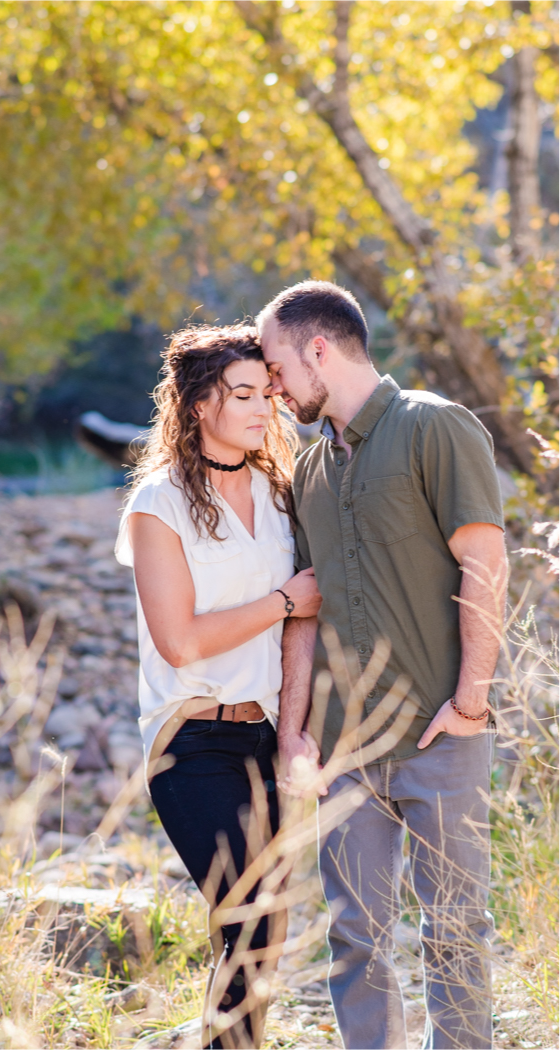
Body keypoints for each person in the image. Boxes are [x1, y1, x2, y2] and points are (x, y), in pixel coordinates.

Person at [259, 281, 507, 1050]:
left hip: (440, 736)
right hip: (346, 752)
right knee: (354, 938)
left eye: (276, 366)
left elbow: (485, 565)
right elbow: (307, 611)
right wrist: (293, 733)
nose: (273, 385)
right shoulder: (308, 473)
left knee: (455, 929)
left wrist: (470, 704)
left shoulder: (435, 427)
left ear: (319, 350)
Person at [115, 324, 322, 1049]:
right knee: (250, 915)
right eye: (243, 395)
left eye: (267, 393)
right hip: (191, 739)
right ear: (200, 404)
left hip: (264, 736)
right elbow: (181, 641)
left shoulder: (278, 489)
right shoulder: (159, 503)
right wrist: (285, 601)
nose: (263, 408)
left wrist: (294, 728)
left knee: (262, 930)